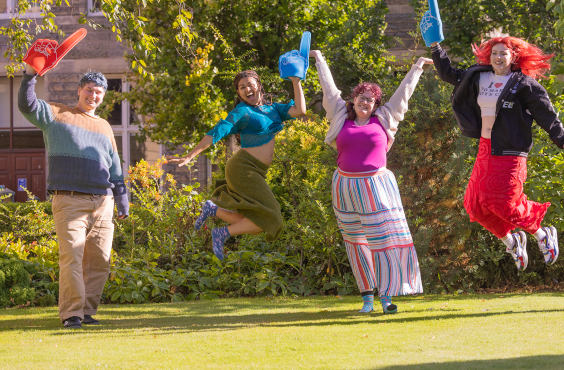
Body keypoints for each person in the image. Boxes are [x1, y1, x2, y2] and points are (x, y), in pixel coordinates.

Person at [429, 37, 564, 271]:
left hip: (511, 151)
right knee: (475, 205)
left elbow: (546, 116)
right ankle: (513, 241)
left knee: (506, 205)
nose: (498, 58)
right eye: (494, 53)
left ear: (514, 57)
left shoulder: (524, 85)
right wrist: (435, 47)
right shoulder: (478, 76)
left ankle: (542, 235)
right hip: (486, 148)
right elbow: (449, 74)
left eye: (503, 54)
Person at [311, 50, 430, 314]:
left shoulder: (385, 119)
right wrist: (319, 58)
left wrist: (417, 67)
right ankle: (367, 299)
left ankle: (386, 298)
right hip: (344, 187)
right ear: (353, 100)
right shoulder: (340, 116)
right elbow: (329, 90)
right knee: (355, 243)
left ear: (376, 105)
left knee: (383, 241)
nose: (365, 103)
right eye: (361, 98)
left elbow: (403, 94)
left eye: (371, 100)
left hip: (376, 187)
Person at [18, 65, 129, 329]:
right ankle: (72, 314)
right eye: (89, 90)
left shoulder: (104, 127)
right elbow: (26, 105)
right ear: (80, 90)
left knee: (100, 262)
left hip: (103, 202)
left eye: (99, 92)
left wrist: (122, 199)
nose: (93, 95)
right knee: (72, 259)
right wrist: (30, 75)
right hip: (69, 200)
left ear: (103, 97)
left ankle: (87, 311)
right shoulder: (56, 114)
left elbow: (115, 167)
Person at [166, 71, 306, 259]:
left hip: (256, 170)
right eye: (242, 87)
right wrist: (190, 155)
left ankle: (213, 211)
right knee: (273, 218)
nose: (247, 89)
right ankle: (222, 233)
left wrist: (296, 81)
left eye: (250, 84)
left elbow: (300, 110)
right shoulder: (242, 112)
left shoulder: (273, 110)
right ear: (239, 94)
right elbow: (217, 131)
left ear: (259, 84)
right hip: (243, 168)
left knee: (257, 224)